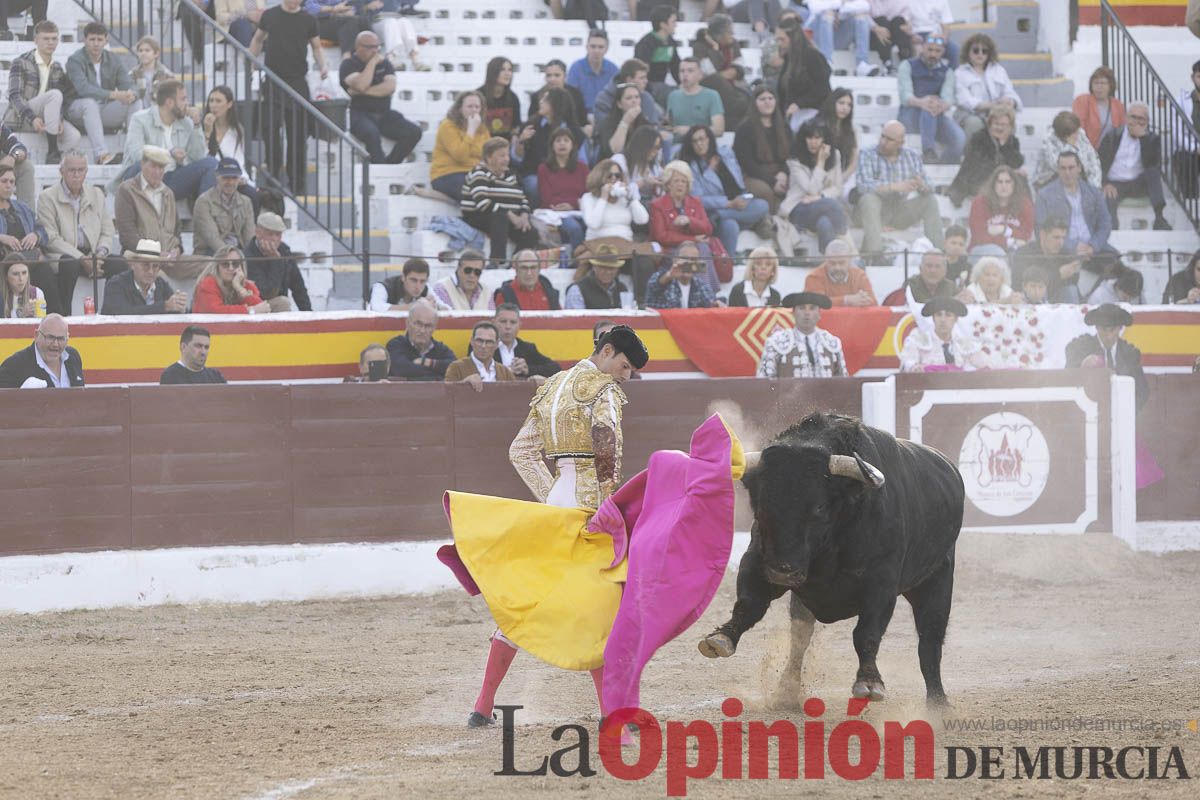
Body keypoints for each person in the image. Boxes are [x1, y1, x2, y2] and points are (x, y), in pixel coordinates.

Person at [466, 325, 648, 728]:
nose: (626, 375)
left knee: (527, 603)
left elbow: (522, 452)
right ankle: (611, 713)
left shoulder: (551, 387)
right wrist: (606, 508)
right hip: (590, 509)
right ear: (607, 351)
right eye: (624, 365)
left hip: (555, 507)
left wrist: (552, 499)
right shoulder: (603, 390)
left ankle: (481, 707)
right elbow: (606, 449)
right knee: (599, 611)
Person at [250, 0, 329, 195]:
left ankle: (297, 184)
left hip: (298, 83)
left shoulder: (308, 19)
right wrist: (251, 59)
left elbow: (316, 46)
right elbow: (258, 39)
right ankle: (273, 178)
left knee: (298, 136)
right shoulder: (270, 15)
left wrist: (323, 65)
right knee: (271, 129)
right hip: (273, 81)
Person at [37, 150, 128, 314]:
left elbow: (107, 230)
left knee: (119, 262)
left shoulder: (97, 194)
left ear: (86, 171)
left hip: (94, 254)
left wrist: (100, 254)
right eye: (72, 170)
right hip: (63, 255)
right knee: (69, 263)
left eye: (81, 170)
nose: (76, 175)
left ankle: (110, 313)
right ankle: (63, 316)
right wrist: (81, 258)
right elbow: (51, 239)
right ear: (62, 171)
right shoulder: (47, 197)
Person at [116, 80, 217, 208]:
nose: (187, 103)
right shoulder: (140, 119)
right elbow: (136, 154)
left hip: (172, 178)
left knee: (211, 163)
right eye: (183, 99)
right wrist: (169, 153)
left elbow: (198, 157)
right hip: (143, 177)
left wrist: (197, 125)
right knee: (138, 167)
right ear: (170, 103)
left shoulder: (186, 122)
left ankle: (203, 215)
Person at [857, 119, 943, 262]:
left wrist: (922, 185)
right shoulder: (867, 153)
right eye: (882, 136)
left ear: (900, 143)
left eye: (889, 139)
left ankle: (938, 254)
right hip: (872, 212)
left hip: (898, 212)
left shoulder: (911, 156)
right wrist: (894, 186)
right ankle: (876, 255)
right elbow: (863, 186)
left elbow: (930, 186)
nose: (883, 141)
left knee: (930, 200)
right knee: (868, 199)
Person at [677, 124, 770, 256]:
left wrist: (743, 198)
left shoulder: (725, 154)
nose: (699, 144)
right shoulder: (692, 167)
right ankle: (728, 265)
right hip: (714, 211)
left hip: (735, 207)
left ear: (709, 139)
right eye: (695, 141)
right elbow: (697, 200)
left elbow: (738, 182)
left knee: (763, 205)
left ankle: (721, 215)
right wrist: (728, 204)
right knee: (730, 225)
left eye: (702, 139)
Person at [3, 21, 82, 165]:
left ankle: (57, 164)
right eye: (46, 38)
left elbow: (66, 98)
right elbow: (15, 96)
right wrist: (31, 118)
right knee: (55, 94)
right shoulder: (21, 62)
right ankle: (53, 150)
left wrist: (60, 118)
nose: (50, 42)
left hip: (46, 118)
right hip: (21, 116)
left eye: (54, 38)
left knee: (74, 136)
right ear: (36, 40)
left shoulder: (57, 67)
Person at [340, 31, 421, 164]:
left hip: (384, 113)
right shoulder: (348, 64)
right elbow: (361, 84)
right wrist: (372, 63)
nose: (376, 51)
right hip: (359, 114)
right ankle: (379, 166)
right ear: (359, 47)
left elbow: (389, 88)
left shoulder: (385, 63)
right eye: (371, 47)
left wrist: (361, 92)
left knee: (414, 132)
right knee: (371, 133)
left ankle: (389, 165)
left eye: (377, 46)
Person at [65, 22, 137, 166]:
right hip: (77, 111)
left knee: (135, 102)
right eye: (92, 39)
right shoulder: (75, 60)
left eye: (99, 40)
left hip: (102, 111)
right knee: (89, 103)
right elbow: (84, 89)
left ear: (106, 41)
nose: (96, 44)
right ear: (84, 40)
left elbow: (128, 83)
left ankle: (134, 153)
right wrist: (115, 95)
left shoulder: (113, 59)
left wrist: (131, 94)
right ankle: (101, 155)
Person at [114, 146, 190, 279]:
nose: (158, 172)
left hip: (169, 260)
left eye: (161, 168)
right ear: (142, 164)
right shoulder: (127, 190)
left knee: (211, 265)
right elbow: (127, 236)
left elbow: (177, 231)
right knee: (158, 276)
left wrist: (177, 250)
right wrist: (155, 254)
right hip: (141, 261)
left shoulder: (168, 193)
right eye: (153, 167)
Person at [461, 138, 539, 266]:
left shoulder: (511, 175)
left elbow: (523, 199)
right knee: (500, 218)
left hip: (507, 218)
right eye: (501, 155)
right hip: (479, 216)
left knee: (530, 233)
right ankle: (496, 262)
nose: (506, 159)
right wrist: (511, 215)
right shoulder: (479, 173)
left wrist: (524, 215)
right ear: (489, 157)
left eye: (507, 155)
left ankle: (515, 265)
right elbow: (482, 203)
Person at [1098, 103, 1171, 231]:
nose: (1136, 121)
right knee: (1109, 197)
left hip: (1138, 183)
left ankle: (1159, 218)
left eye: (1141, 118)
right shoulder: (1112, 135)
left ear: (1147, 121)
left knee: (1153, 173)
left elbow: (1152, 163)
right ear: (1126, 118)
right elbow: (1099, 163)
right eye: (1133, 117)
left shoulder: (1152, 139)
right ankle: (1112, 230)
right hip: (1115, 183)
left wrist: (1143, 139)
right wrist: (1105, 183)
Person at [1035, 151, 1115, 267]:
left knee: (1122, 270)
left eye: (1071, 168)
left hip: (1093, 250)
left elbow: (1105, 223)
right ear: (1058, 170)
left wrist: (1093, 246)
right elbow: (1041, 229)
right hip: (1062, 252)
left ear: (1079, 168)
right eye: (1063, 168)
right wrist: (1073, 246)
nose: (1067, 173)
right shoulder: (1045, 195)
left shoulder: (1094, 192)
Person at [780, 118, 848, 252]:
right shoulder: (795, 160)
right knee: (832, 204)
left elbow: (838, 188)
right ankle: (848, 244)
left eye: (817, 138)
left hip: (824, 209)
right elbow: (811, 189)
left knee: (825, 223)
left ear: (825, 139)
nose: (813, 142)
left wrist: (820, 197)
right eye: (809, 137)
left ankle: (828, 260)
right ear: (803, 139)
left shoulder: (835, 155)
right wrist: (821, 162)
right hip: (799, 208)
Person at [1065, 303, 1147, 410]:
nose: (1108, 336)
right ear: (1097, 328)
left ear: (1120, 328)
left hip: (1121, 414)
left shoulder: (1130, 353)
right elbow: (1068, 379)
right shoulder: (1079, 348)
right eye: (1104, 329)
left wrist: (1125, 412)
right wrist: (1082, 366)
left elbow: (1142, 391)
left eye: (1112, 330)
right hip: (1089, 415)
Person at [898, 34, 965, 164]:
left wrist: (939, 105)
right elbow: (905, 96)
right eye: (930, 50)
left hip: (935, 114)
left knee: (959, 139)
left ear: (943, 52)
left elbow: (948, 98)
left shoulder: (947, 72)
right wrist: (922, 102)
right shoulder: (907, 65)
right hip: (910, 114)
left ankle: (944, 166)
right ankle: (928, 151)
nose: (933, 54)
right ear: (922, 48)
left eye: (937, 51)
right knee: (929, 108)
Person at [757, 291, 847, 377]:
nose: (807, 313)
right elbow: (765, 383)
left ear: (819, 314)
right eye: (802, 308)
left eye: (812, 308)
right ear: (793, 313)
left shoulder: (832, 342)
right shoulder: (775, 342)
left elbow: (843, 381)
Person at [516, 89, 584, 203]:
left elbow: (582, 162)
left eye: (545, 99)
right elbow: (517, 160)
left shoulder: (574, 132)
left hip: (565, 174)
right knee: (533, 184)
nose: (541, 102)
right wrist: (521, 141)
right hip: (535, 173)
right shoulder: (531, 126)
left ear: (556, 103)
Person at [0, 163, 54, 309]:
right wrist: (2, 237)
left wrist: (35, 235)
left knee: (46, 271)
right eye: (4, 181)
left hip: (26, 258)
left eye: (12, 182)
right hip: (4, 261)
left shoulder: (21, 207)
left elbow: (43, 230)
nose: (8, 185)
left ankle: (56, 318)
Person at [947, 105, 1023, 207]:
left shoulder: (1012, 141)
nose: (1000, 128)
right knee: (1000, 186)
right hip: (975, 182)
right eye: (996, 124)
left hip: (1000, 182)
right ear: (990, 124)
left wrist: (1003, 144)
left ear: (1010, 126)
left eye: (1003, 125)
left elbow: (1016, 162)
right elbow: (979, 167)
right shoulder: (979, 139)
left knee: (1021, 179)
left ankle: (1023, 219)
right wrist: (1005, 171)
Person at [953, 33, 1020, 141]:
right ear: (968, 52)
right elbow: (964, 101)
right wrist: (990, 105)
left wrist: (1010, 101)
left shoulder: (999, 70)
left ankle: (1004, 155)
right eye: (976, 50)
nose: (980, 54)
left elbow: (1009, 91)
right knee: (974, 124)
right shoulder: (960, 73)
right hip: (969, 114)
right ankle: (975, 156)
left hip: (996, 111)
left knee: (1007, 120)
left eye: (984, 51)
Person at [734, 86, 791, 213]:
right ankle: (768, 222)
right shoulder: (745, 129)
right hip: (753, 175)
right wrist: (773, 181)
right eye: (762, 99)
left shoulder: (785, 127)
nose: (767, 102)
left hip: (781, 172)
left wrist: (783, 173)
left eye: (771, 98)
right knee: (765, 191)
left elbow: (791, 156)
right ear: (755, 103)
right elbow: (748, 164)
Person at [691, 14, 751, 130]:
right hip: (708, 87)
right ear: (718, 35)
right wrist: (716, 50)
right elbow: (709, 74)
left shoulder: (734, 44)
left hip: (731, 89)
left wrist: (728, 73)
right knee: (718, 81)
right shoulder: (700, 47)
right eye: (729, 32)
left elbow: (738, 71)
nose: (732, 35)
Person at [535, 127, 588, 253]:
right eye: (558, 141)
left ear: (572, 145)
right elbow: (546, 197)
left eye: (566, 140)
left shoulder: (583, 168)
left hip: (578, 209)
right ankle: (577, 262)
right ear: (552, 146)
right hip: (555, 211)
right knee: (574, 228)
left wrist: (572, 205)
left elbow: (587, 194)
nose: (562, 143)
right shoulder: (543, 169)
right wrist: (564, 206)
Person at [899, 296, 988, 371]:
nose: (943, 320)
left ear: (955, 319)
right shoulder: (918, 338)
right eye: (938, 315)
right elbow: (907, 361)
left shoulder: (963, 343)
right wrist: (914, 368)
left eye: (948, 315)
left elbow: (984, 366)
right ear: (933, 318)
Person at [245, 212, 312, 312]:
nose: (275, 239)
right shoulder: (248, 256)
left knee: (284, 302)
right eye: (270, 234)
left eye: (278, 234)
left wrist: (308, 313)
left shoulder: (284, 250)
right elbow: (267, 293)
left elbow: (298, 286)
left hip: (274, 308)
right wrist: (275, 260)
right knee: (283, 303)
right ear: (258, 233)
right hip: (256, 308)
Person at [100, 239, 188, 315]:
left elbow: (174, 311)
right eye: (145, 265)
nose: (150, 271)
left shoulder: (161, 284)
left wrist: (180, 305)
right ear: (133, 264)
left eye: (155, 266)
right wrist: (164, 306)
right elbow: (123, 314)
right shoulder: (116, 284)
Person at [431, 92, 490, 201]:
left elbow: (488, 157)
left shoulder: (483, 129)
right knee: (476, 194)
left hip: (474, 173)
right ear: (459, 109)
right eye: (470, 106)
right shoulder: (447, 126)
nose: (474, 110)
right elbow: (460, 156)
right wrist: (471, 129)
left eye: (477, 107)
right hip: (447, 174)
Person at [648, 160, 718, 253]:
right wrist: (692, 239)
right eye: (676, 181)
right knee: (691, 252)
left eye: (684, 181)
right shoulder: (657, 205)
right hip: (669, 249)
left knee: (703, 248)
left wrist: (689, 221)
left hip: (695, 246)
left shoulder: (695, 202)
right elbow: (661, 236)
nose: (680, 184)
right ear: (668, 184)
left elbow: (708, 229)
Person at [774, 19, 832, 131]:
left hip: (814, 115)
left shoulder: (814, 57)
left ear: (793, 38)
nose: (779, 44)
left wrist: (799, 104)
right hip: (793, 117)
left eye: (782, 39)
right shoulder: (788, 60)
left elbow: (822, 88)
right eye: (778, 40)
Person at [0, 313, 84, 389]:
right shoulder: (14, 366)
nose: (55, 344)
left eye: (61, 339)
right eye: (50, 337)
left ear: (67, 338)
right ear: (36, 335)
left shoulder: (73, 357)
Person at [193, 158, 255, 256]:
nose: (230, 182)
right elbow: (212, 239)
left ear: (239, 179)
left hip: (238, 253)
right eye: (226, 177)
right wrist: (232, 256)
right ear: (217, 176)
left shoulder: (246, 202)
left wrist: (248, 256)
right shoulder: (204, 201)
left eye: (234, 178)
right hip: (209, 254)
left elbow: (249, 238)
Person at [1013, 217, 1083, 303]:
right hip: (1029, 301)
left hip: (1056, 301)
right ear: (1042, 235)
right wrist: (1059, 274)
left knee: (1071, 291)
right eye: (1056, 237)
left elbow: (1073, 281)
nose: (1060, 242)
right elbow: (1020, 284)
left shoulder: (1066, 254)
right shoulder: (1025, 253)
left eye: (1063, 238)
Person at [968, 165, 1034, 254]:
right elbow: (979, 236)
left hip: (1014, 249)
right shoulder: (979, 202)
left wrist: (1004, 230)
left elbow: (1025, 235)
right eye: (1000, 182)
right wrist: (1009, 242)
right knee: (998, 253)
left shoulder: (1025, 203)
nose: (1004, 186)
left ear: (1014, 184)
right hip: (983, 249)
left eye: (1008, 182)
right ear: (993, 184)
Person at [386, 298, 456, 380]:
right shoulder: (395, 345)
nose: (422, 330)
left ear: (434, 328)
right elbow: (401, 370)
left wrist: (429, 362)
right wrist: (439, 375)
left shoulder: (441, 349)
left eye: (428, 326)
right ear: (408, 323)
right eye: (418, 324)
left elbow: (455, 369)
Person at [581, 159, 650, 242]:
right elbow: (594, 224)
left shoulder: (624, 198)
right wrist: (603, 198)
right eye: (609, 176)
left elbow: (642, 220)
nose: (614, 179)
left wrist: (631, 199)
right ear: (599, 177)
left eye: (617, 176)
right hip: (598, 245)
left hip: (624, 245)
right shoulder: (588, 198)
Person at [807, 0, 879, 77]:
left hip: (839, 36)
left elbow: (864, 5)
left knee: (861, 16)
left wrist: (838, 11)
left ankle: (862, 64)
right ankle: (826, 62)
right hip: (818, 34)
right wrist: (841, 3)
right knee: (827, 14)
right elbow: (814, 7)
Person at [192, 246, 272, 314]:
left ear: (241, 266)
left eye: (235, 264)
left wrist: (239, 288)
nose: (231, 268)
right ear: (217, 267)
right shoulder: (207, 283)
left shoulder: (247, 285)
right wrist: (250, 310)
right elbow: (216, 311)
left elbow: (261, 308)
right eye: (225, 264)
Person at [491, 303, 561, 382]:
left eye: (513, 322)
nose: (508, 326)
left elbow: (556, 368)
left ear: (519, 325)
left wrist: (528, 369)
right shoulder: (485, 345)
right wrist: (506, 371)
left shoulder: (527, 348)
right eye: (503, 321)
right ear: (494, 323)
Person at [1032, 111, 1101, 189]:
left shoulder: (1080, 133)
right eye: (1075, 133)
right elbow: (1060, 166)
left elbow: (1093, 159)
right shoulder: (1048, 140)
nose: (1077, 134)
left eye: (1077, 131)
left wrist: (1094, 187)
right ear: (1065, 136)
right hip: (1048, 182)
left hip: (1079, 179)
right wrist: (1070, 146)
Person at [592, 59, 662, 134]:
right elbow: (603, 129)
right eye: (642, 78)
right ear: (629, 80)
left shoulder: (646, 97)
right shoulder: (604, 100)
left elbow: (654, 126)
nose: (646, 81)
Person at [645, 241, 719, 308]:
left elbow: (711, 303)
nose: (689, 262)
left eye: (693, 260)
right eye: (685, 258)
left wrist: (715, 305)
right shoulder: (663, 278)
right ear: (675, 260)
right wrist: (669, 276)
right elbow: (653, 285)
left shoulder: (700, 284)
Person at [445, 320, 517, 390]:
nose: (483, 346)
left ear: (497, 344)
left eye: (489, 342)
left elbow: (517, 396)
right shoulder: (456, 367)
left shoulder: (505, 372)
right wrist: (464, 384)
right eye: (479, 341)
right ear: (472, 341)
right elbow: (446, 395)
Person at [805, 238, 876, 305]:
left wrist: (865, 300)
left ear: (849, 260)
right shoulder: (814, 277)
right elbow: (814, 303)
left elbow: (874, 303)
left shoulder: (860, 275)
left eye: (841, 263)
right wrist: (847, 300)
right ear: (825, 260)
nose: (837, 267)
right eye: (832, 263)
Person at [667, 58, 726, 140]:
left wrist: (689, 130)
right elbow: (669, 125)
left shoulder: (712, 95)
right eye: (682, 71)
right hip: (678, 146)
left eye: (690, 71)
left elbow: (718, 130)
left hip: (703, 146)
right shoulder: (673, 96)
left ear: (700, 74)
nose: (685, 74)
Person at [634, 5, 682, 106]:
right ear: (663, 24)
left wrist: (683, 84)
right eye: (673, 22)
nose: (676, 25)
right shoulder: (646, 43)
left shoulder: (671, 42)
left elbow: (675, 67)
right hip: (648, 87)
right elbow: (641, 70)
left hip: (661, 85)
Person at [597, 83, 656, 162]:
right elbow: (614, 151)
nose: (634, 101)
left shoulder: (645, 123)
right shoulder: (607, 123)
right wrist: (625, 121)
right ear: (619, 104)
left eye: (637, 97)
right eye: (629, 98)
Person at [567, 29, 619, 118]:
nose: (596, 51)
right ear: (587, 47)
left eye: (600, 47)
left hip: (607, 116)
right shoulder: (576, 68)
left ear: (606, 49)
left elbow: (617, 98)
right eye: (593, 46)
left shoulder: (613, 70)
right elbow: (571, 100)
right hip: (581, 116)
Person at [563, 242, 632, 309]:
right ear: (594, 267)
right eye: (603, 267)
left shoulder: (622, 289)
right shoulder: (577, 290)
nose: (608, 272)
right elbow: (575, 319)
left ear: (617, 270)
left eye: (612, 268)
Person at [1073, 66, 1125, 150]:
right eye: (1096, 83)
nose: (1099, 87)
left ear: (1110, 85)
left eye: (1103, 83)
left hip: (1111, 153)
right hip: (1089, 151)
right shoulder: (1083, 101)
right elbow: (1078, 129)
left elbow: (1122, 130)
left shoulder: (1118, 105)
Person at [817, 87, 859, 189]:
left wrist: (842, 177)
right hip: (820, 176)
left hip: (844, 177)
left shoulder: (852, 131)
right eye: (841, 103)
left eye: (849, 105)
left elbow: (854, 162)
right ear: (832, 103)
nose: (845, 108)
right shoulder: (818, 126)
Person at [613, 125, 665, 202]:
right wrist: (643, 182)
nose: (655, 151)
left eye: (658, 148)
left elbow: (660, 194)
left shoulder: (654, 166)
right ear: (642, 145)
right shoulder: (620, 160)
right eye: (653, 147)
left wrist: (661, 186)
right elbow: (615, 190)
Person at [494, 250, 561, 310]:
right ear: (515, 269)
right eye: (524, 268)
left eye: (533, 267)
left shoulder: (550, 292)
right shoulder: (504, 295)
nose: (529, 273)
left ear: (539, 269)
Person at [370, 257, 443, 311]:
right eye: (413, 280)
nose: (418, 286)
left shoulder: (426, 288)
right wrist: (417, 306)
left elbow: (446, 309)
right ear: (403, 277)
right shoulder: (382, 287)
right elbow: (376, 307)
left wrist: (436, 306)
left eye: (422, 281)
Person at [161, 325, 227, 384]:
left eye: (206, 347)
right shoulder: (170, 375)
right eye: (198, 346)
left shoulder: (215, 376)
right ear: (183, 347)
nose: (203, 352)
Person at [475, 56, 522, 141]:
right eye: (502, 69)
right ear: (493, 72)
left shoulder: (513, 98)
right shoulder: (478, 96)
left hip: (505, 148)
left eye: (510, 70)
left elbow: (516, 126)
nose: (507, 73)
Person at [129, 36, 176, 113]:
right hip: (140, 114)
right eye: (140, 51)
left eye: (147, 50)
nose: (143, 53)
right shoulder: (133, 74)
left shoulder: (167, 75)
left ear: (156, 54)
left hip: (160, 113)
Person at [307, 0, 373, 53]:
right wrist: (333, 10)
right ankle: (347, 58)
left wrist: (350, 10)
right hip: (320, 23)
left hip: (340, 19)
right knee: (350, 21)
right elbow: (310, 9)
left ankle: (373, 51)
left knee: (363, 21)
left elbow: (351, 5)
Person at [1175, 60, 1200, 201]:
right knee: (1184, 160)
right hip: (1191, 152)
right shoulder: (1182, 101)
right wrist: (1195, 148)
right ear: (1193, 78)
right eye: (1199, 76)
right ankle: (1193, 204)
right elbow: (1176, 132)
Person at [868, 0, 914, 71]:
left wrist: (907, 24)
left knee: (899, 21)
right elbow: (864, 16)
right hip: (873, 37)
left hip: (892, 34)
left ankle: (905, 57)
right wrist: (875, 28)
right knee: (882, 20)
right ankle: (887, 61)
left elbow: (906, 16)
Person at [1, 254, 41, 318]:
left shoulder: (36, 292)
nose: (21, 278)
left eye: (24, 273)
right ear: (6, 276)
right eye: (15, 274)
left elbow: (42, 322)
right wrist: (21, 313)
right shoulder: (1, 296)